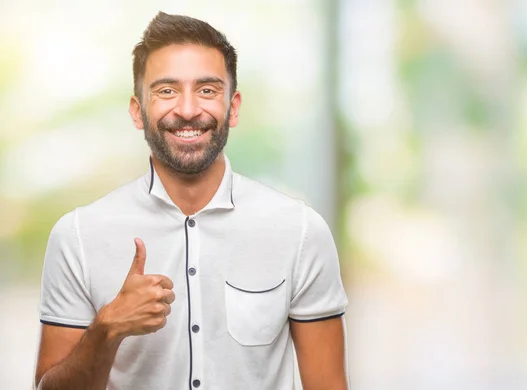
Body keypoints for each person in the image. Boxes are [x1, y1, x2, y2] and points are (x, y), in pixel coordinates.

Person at [34, 11, 349, 390]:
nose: (187, 110)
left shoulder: (300, 231)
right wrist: (108, 326)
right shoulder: (78, 236)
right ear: (138, 111)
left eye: (207, 90)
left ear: (232, 107)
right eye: (167, 90)